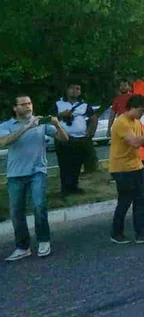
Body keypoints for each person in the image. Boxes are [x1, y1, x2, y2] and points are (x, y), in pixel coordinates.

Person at [0, 95, 69, 261]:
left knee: (39, 206)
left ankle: (44, 241)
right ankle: (22, 247)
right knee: (16, 212)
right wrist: (28, 126)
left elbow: (64, 139)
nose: (28, 106)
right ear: (15, 108)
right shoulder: (7, 125)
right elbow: (4, 142)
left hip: (38, 171)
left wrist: (57, 125)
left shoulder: (42, 123)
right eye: (23, 104)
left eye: (30, 103)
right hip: (15, 174)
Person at [109, 94, 144, 244]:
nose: (143, 114)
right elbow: (136, 143)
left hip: (136, 166)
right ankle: (116, 232)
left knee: (140, 200)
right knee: (125, 201)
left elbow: (143, 143)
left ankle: (141, 233)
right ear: (131, 107)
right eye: (141, 110)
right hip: (122, 169)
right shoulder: (121, 123)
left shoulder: (136, 122)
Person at [51, 82, 98, 195]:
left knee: (77, 164)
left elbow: (93, 118)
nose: (75, 91)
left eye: (78, 88)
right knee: (64, 164)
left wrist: (89, 134)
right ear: (66, 90)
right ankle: (65, 189)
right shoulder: (58, 104)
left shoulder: (84, 105)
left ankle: (74, 187)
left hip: (81, 139)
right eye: (72, 88)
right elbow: (50, 118)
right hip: (64, 139)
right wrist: (61, 114)